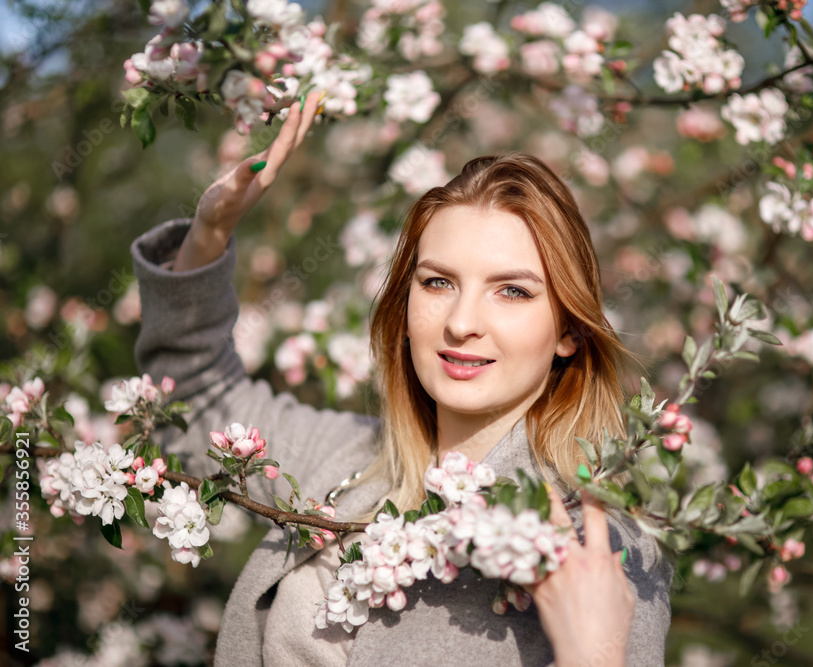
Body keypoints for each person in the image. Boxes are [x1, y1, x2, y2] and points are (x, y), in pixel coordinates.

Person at [131, 90, 672, 666]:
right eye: (437, 282)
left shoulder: (599, 551)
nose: (462, 323)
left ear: (570, 330)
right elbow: (191, 396)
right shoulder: (341, 461)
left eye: (512, 291)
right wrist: (211, 231)